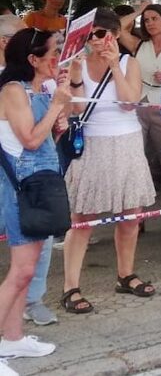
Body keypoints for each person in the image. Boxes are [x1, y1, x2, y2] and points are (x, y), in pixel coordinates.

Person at [62, 8, 157, 314]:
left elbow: (130, 102)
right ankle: (70, 287)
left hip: (126, 143)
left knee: (131, 217)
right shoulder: (75, 64)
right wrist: (76, 76)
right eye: (89, 35)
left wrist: (115, 64)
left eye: (101, 34)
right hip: (91, 145)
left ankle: (125, 274)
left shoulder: (130, 62)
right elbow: (74, 112)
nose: (96, 41)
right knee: (82, 222)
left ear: (114, 35)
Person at [0, 29, 66, 372]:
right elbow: (28, 139)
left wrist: (59, 118)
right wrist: (56, 108)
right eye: (54, 52)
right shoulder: (13, 91)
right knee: (21, 270)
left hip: (40, 184)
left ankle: (12, 339)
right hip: (20, 188)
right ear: (32, 59)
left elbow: (44, 138)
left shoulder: (38, 89)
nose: (59, 57)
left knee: (25, 272)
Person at [118, 3, 161, 204]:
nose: (150, 23)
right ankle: (136, 216)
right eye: (146, 20)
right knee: (136, 161)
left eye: (155, 18)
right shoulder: (139, 44)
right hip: (140, 105)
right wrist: (138, 11)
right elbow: (117, 28)